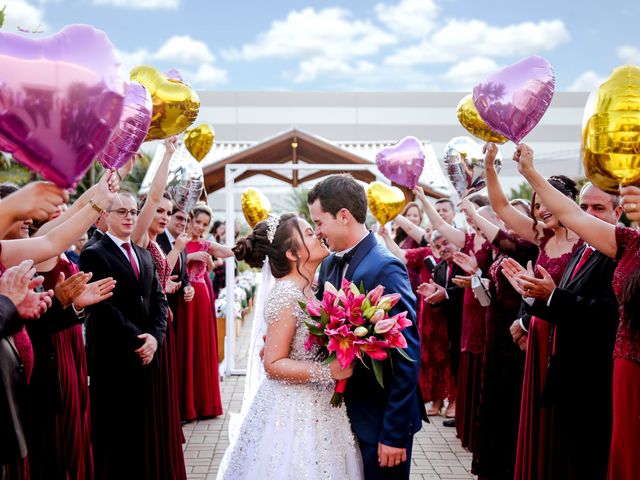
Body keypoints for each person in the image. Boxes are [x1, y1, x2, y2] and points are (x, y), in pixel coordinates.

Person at [511, 144, 639, 479]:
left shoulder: (619, 249)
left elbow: (609, 315)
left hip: (599, 381)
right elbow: (561, 298)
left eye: (599, 207)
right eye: (584, 206)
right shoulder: (582, 249)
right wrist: (534, 298)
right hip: (567, 379)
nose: (588, 214)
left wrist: (554, 298)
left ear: (617, 213)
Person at [216, 214, 362, 479]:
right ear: (293, 254)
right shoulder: (286, 294)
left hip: (320, 408)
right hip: (292, 412)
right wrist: (329, 372)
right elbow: (272, 364)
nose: (317, 234)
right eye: (308, 233)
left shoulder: (310, 289)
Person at [309, 174, 426, 480]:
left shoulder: (385, 266)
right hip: (344, 417)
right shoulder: (330, 264)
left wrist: (394, 433)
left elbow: (407, 355)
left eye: (320, 222)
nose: (318, 232)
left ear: (344, 216)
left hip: (380, 422)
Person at [483, 142, 581, 480]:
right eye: (537, 203)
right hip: (537, 330)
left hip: (568, 331)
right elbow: (500, 206)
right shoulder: (541, 236)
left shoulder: (587, 238)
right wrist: (491, 166)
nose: (540, 209)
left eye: (547, 201)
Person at [79, 191, 169, 480]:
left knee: (141, 434)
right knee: (113, 437)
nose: (130, 216)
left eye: (133, 211)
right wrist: (139, 339)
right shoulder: (93, 253)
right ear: (105, 216)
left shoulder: (143, 254)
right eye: (122, 212)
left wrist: (155, 338)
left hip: (146, 356)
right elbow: (104, 308)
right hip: (112, 358)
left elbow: (159, 301)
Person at [458, 200, 538, 480]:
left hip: (514, 332)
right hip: (494, 330)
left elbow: (502, 240)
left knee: (509, 400)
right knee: (493, 399)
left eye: (516, 217)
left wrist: (473, 214)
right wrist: (478, 278)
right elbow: (496, 289)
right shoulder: (501, 253)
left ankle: (508, 467)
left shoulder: (529, 247)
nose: (509, 222)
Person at [176, 204, 232, 421]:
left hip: (202, 293)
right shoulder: (177, 241)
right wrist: (189, 258)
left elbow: (229, 252)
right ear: (189, 219)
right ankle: (186, 404)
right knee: (186, 345)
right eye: (197, 222)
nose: (199, 227)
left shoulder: (205, 244)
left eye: (204, 224)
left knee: (202, 345)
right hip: (184, 295)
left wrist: (254, 242)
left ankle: (204, 403)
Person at [417, 231, 465, 422]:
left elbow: (464, 290)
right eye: (438, 246)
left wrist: (445, 294)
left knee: (457, 364)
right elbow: (439, 295)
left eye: (446, 242)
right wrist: (433, 297)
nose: (443, 248)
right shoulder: (440, 268)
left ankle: (456, 401)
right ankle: (441, 402)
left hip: (463, 321)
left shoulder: (464, 263)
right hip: (444, 323)